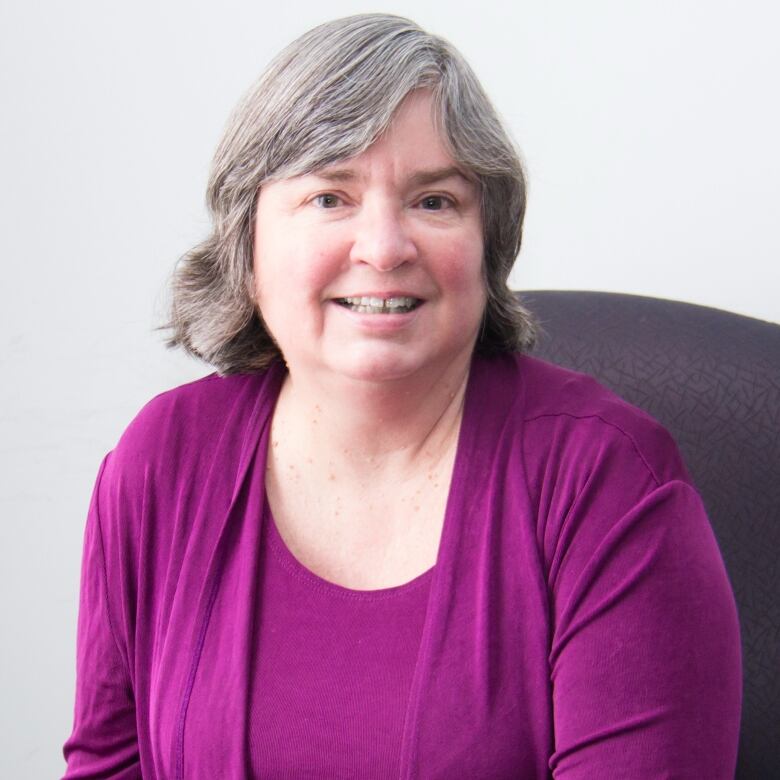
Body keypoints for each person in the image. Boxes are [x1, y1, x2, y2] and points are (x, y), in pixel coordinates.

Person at [62, 13, 741, 779]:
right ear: (248, 245)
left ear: (489, 246)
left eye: (435, 201)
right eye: (329, 197)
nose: (383, 247)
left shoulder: (609, 485)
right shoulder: (164, 461)